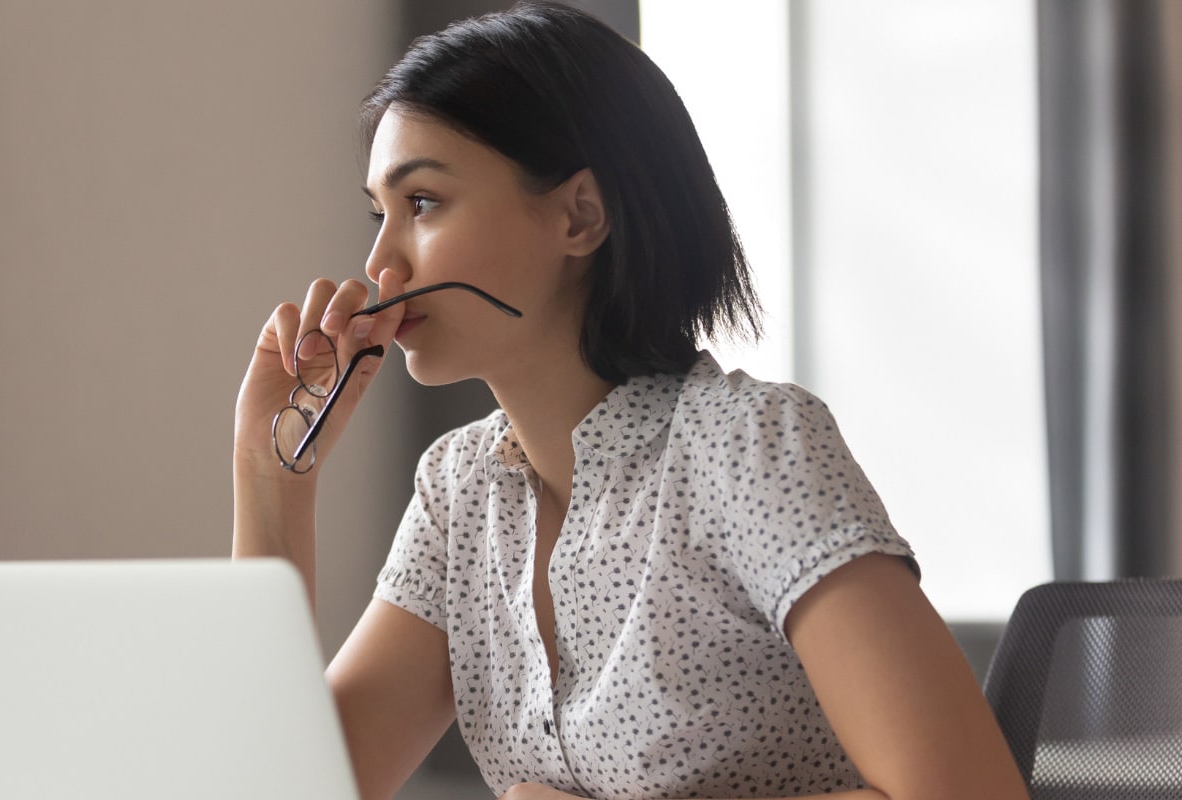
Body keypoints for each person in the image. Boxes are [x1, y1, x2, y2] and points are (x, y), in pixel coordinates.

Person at [231, 4, 1029, 799]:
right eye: (379, 213)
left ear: (580, 215)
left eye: (424, 203)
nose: (381, 263)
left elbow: (968, 793)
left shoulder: (746, 448)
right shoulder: (459, 493)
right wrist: (271, 478)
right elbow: (285, 791)